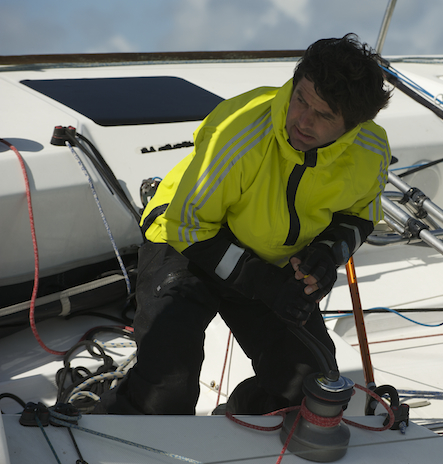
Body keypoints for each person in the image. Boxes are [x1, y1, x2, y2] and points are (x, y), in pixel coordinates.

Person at [94, 34, 392, 415]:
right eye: (301, 99)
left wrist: (325, 254)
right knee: (165, 390)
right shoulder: (241, 132)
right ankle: (103, 420)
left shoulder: (371, 150)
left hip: (272, 257)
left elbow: (361, 214)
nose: (302, 120)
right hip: (187, 240)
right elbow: (189, 225)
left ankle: (237, 420)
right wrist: (265, 284)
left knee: (309, 388)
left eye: (324, 115)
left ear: (352, 126)